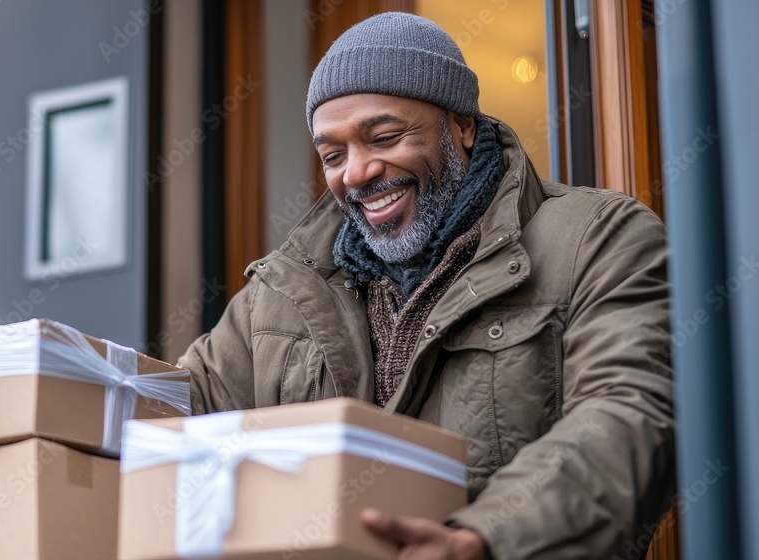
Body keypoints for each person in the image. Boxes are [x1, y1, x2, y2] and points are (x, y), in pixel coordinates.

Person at [179, 12, 675, 560]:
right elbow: (176, 413)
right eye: (332, 156)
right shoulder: (280, 293)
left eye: (385, 137)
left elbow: (629, 413)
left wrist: (484, 539)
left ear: (461, 124)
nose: (358, 172)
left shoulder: (598, 238)